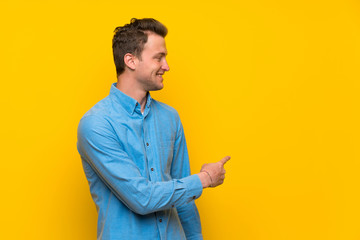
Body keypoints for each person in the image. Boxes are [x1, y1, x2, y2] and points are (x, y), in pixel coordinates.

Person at [77, 18, 230, 240]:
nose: (166, 66)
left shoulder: (170, 117)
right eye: (159, 57)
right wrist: (205, 178)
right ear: (131, 60)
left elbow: (182, 192)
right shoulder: (97, 124)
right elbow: (141, 198)